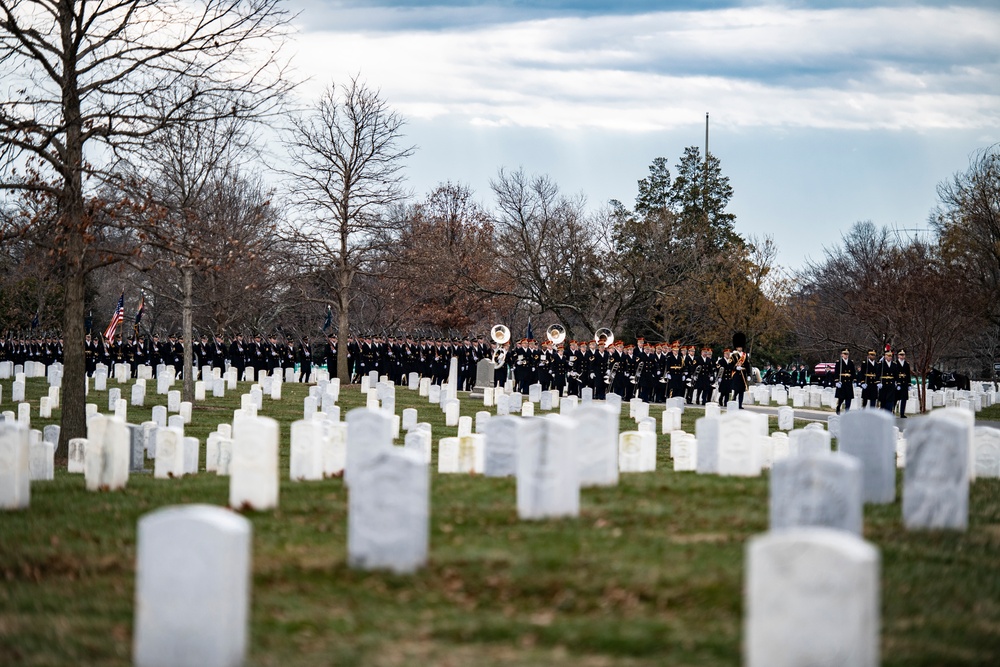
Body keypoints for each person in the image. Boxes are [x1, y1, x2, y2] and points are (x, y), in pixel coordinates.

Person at [877, 345, 898, 414]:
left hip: (891, 383)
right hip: (883, 383)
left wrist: (896, 382)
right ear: (885, 356)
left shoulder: (894, 364)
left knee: (890, 399)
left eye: (890, 356)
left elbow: (896, 374)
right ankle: (882, 412)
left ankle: (889, 412)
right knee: (883, 399)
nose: (889, 357)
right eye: (888, 356)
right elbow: (878, 373)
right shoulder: (881, 364)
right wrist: (878, 382)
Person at [833, 347, 856, 414]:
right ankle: (838, 407)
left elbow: (853, 372)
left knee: (848, 398)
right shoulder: (839, 362)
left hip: (848, 382)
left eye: (847, 354)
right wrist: (837, 381)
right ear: (841, 355)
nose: (846, 355)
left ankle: (847, 410)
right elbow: (836, 372)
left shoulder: (851, 362)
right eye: (844, 354)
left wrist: (854, 380)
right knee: (841, 398)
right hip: (842, 382)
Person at [896, 348, 912, 418]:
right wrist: (896, 382)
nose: (902, 356)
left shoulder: (906, 364)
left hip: (904, 383)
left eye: (903, 355)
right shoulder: (895, 363)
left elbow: (908, 374)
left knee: (904, 399)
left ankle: (902, 413)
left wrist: (909, 384)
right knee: (895, 398)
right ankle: (893, 411)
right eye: (901, 355)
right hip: (898, 383)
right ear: (898, 356)